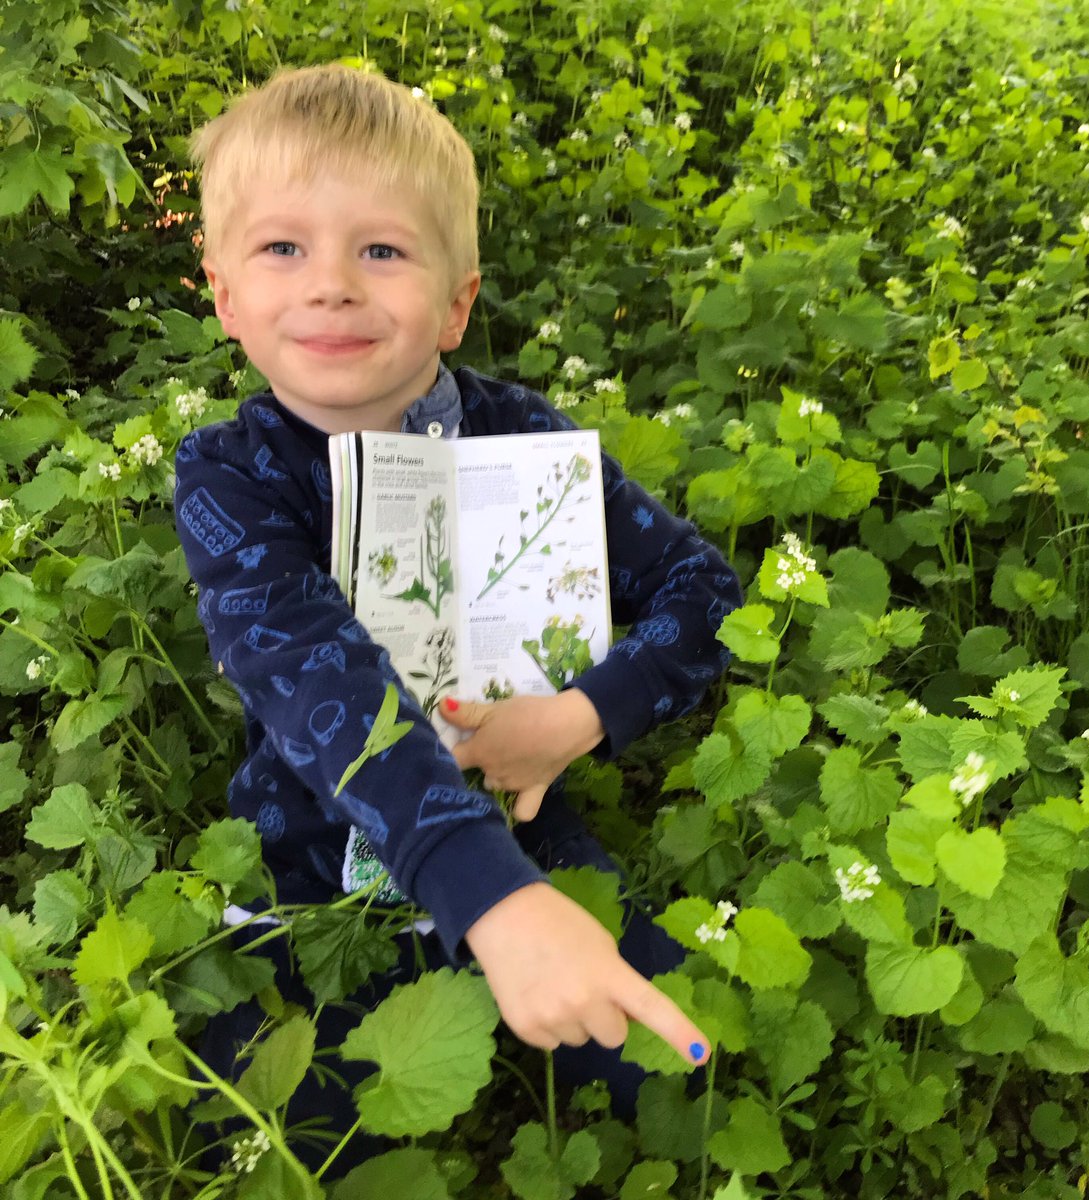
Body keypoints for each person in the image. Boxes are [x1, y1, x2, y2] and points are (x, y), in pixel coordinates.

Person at [175, 63, 743, 1168]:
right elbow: (312, 674)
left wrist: (580, 716)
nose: (332, 284)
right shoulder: (231, 473)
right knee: (255, 1132)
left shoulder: (522, 441)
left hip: (529, 835)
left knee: (688, 1071)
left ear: (457, 299)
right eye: (283, 248)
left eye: (380, 249)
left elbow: (703, 594)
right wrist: (491, 900)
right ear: (225, 295)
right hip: (310, 863)